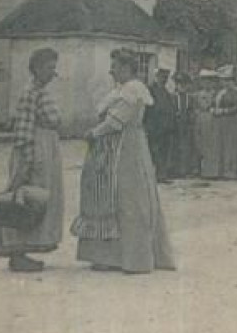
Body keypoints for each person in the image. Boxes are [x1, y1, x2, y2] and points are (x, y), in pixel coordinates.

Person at [71, 49, 176, 274]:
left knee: (128, 199)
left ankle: (132, 258)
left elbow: (116, 122)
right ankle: (110, 256)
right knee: (111, 197)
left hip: (126, 149)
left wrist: (93, 133)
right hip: (113, 149)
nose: (111, 70)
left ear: (128, 68)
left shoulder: (134, 91)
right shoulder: (121, 90)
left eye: (116, 66)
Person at [0, 49, 65, 273]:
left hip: (46, 149)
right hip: (36, 151)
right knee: (24, 199)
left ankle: (24, 250)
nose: (53, 73)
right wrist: (27, 162)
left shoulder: (39, 91)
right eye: (49, 67)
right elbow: (23, 132)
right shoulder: (31, 93)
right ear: (37, 68)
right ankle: (17, 253)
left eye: (54, 67)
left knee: (37, 201)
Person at [201, 66, 237, 180]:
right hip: (220, 124)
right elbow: (213, 103)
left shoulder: (236, 93)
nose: (225, 83)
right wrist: (212, 109)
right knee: (221, 146)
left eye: (228, 80)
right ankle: (220, 171)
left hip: (232, 123)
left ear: (232, 81)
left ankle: (232, 171)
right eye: (224, 80)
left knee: (231, 146)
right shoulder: (219, 92)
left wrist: (224, 111)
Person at [144, 67, 178, 182]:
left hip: (166, 127)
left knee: (163, 151)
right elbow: (147, 108)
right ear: (156, 76)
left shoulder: (166, 92)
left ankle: (162, 174)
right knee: (154, 151)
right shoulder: (150, 90)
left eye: (166, 77)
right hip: (154, 126)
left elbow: (170, 109)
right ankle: (154, 175)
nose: (164, 79)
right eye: (162, 76)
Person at [170, 69, 199, 179]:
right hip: (175, 125)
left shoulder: (190, 98)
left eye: (184, 84)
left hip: (186, 125)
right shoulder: (172, 96)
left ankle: (185, 169)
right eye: (179, 84)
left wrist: (191, 117)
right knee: (175, 147)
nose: (181, 86)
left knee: (186, 147)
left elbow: (192, 110)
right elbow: (170, 110)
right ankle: (175, 169)